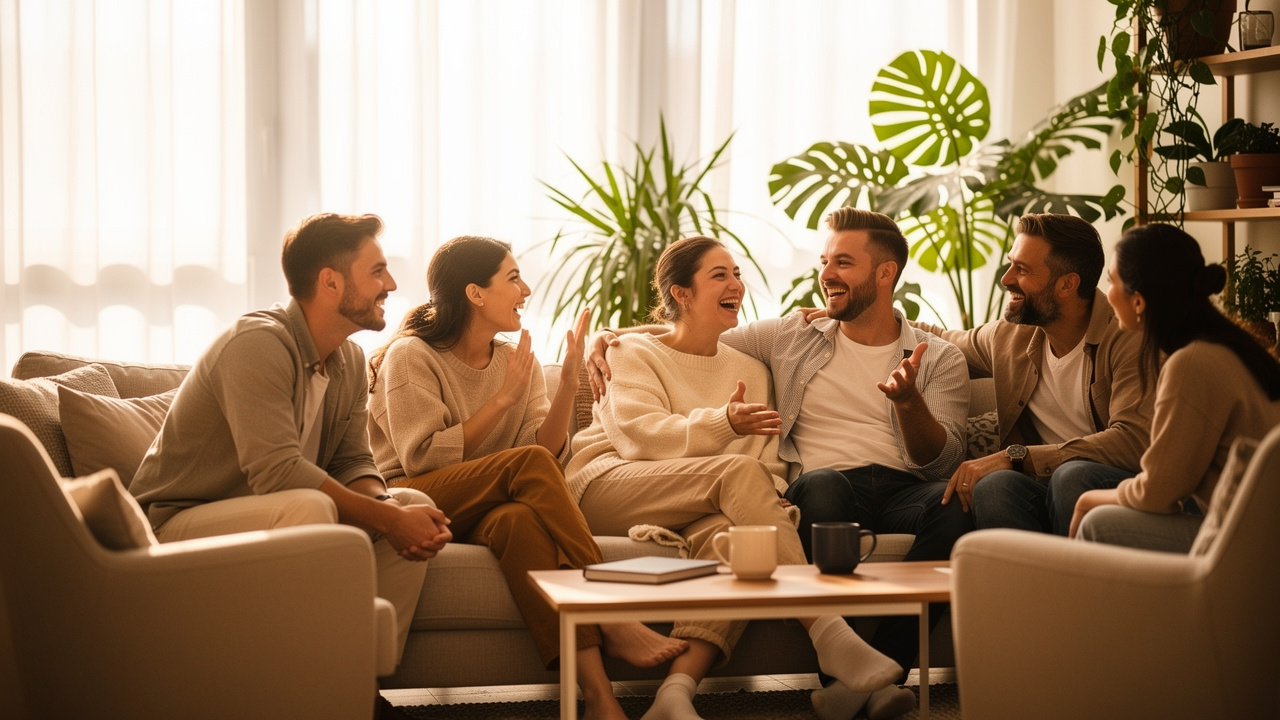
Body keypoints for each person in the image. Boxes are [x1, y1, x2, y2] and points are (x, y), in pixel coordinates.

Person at [588, 209, 971, 720]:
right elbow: (683, 338)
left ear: (885, 274)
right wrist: (610, 335)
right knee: (811, 487)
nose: (827, 273)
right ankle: (835, 646)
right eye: (825, 261)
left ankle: (676, 692)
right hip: (640, 478)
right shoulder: (790, 337)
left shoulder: (935, 357)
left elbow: (942, 460)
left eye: (844, 262)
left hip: (897, 488)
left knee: (952, 509)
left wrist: (909, 404)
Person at [130, 213, 453, 720]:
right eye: (377, 271)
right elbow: (276, 473)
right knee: (312, 506)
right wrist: (386, 520)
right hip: (176, 525)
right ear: (331, 281)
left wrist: (390, 509)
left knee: (412, 502)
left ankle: (356, 689)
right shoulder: (257, 344)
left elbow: (353, 460)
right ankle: (316, 692)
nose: (391, 284)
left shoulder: (346, 360)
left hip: (269, 518)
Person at [365, 235, 688, 720]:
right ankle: (611, 608)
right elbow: (424, 459)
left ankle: (599, 697)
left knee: (520, 523)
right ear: (475, 293)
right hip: (418, 497)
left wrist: (571, 376)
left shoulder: (519, 362)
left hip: (489, 501)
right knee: (525, 472)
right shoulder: (412, 355)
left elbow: (542, 452)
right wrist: (502, 399)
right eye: (513, 278)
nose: (526, 289)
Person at [910, 213, 1155, 536]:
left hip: (1117, 485)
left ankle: (1084, 583)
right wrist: (857, 316)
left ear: (1067, 284)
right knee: (996, 485)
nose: (1006, 278)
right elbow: (941, 339)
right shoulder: (1010, 337)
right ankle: (1029, 582)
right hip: (1047, 485)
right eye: (1012, 264)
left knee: (1073, 477)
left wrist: (1021, 456)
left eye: (1022, 269)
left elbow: (1133, 441)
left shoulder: (1126, 335)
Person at [1068, 223, 1280, 551]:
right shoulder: (1231, 347)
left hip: (1251, 545)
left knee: (1099, 522)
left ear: (1138, 301)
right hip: (1257, 528)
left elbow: (1158, 494)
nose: (1106, 294)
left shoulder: (1193, 364)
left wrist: (1087, 500)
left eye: (1111, 281)